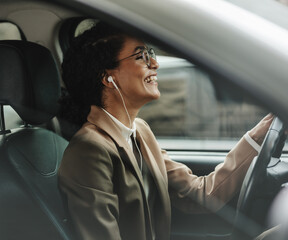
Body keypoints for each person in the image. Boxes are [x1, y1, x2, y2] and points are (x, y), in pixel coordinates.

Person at [58, 21, 273, 240]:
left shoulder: (140, 131)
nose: (155, 63)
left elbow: (199, 195)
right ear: (108, 78)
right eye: (141, 56)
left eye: (150, 53)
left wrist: (256, 138)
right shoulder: (89, 150)